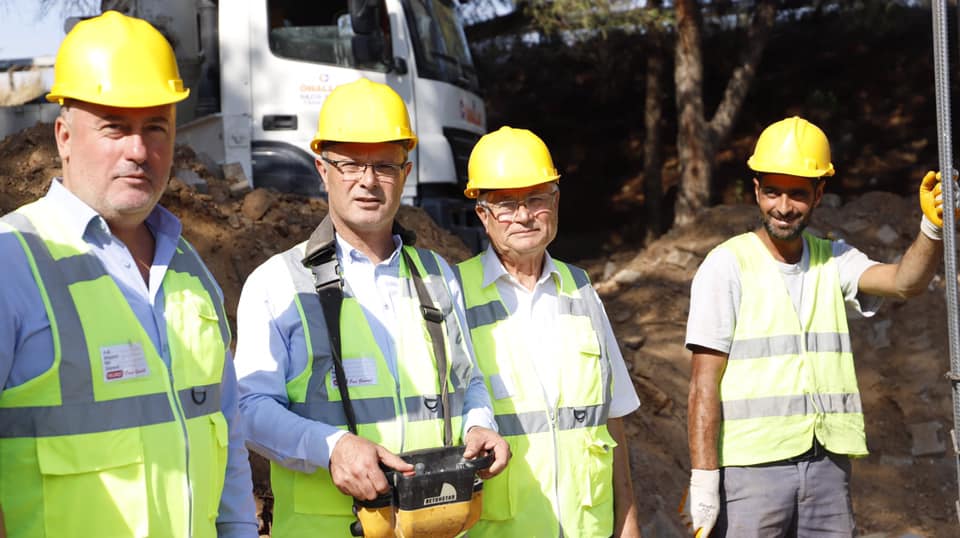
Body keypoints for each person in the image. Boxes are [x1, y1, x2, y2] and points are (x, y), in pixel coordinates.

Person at [0, 11, 258, 538]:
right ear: (65, 137)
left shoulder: (191, 272)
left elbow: (226, 440)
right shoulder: (13, 266)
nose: (138, 151)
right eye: (114, 128)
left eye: (155, 128)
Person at [234, 78, 510, 538]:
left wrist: (479, 424)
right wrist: (331, 447)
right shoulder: (276, 283)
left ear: (405, 171)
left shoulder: (439, 274)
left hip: (434, 524)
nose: (367, 180)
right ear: (322, 169)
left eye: (384, 165)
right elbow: (249, 409)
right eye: (349, 164)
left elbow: (470, 382)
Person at [685, 116, 947, 537]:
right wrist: (703, 477)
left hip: (827, 467)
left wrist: (933, 228)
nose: (783, 207)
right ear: (756, 190)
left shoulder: (833, 259)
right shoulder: (726, 265)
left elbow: (904, 282)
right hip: (751, 472)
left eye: (797, 194)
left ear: (819, 194)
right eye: (772, 191)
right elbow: (702, 382)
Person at [455, 126, 642, 537]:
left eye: (536, 199)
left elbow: (611, 422)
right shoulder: (453, 296)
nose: (523, 216)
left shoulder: (582, 289)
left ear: (555, 203)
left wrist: (628, 525)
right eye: (506, 204)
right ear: (483, 215)